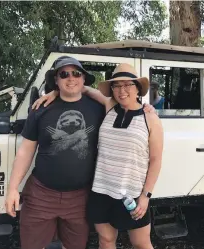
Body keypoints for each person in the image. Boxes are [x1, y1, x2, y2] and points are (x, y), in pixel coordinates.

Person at [32, 63, 164, 249]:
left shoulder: (150, 118)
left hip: (131, 194)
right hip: (101, 191)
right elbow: (81, 88)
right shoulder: (109, 107)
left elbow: (156, 160)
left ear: (138, 88)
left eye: (128, 85)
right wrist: (54, 93)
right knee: (106, 241)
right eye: (116, 85)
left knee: (141, 243)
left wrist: (145, 196)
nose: (122, 90)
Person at [5, 56, 104, 249]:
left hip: (80, 198)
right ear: (56, 80)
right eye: (64, 74)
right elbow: (26, 151)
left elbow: (123, 107)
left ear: (84, 78)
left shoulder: (99, 109)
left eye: (76, 73)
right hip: (41, 194)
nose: (71, 78)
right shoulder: (41, 109)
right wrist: (12, 189)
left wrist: (148, 111)